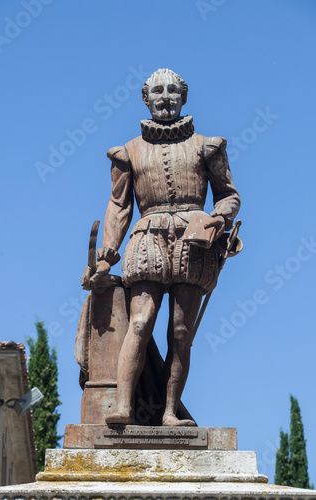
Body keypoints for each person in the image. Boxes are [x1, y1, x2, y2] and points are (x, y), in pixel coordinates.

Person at [82, 68, 240, 426]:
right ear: (146, 98)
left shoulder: (208, 146)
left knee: (181, 331)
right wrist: (106, 256)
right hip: (147, 238)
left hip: (195, 240)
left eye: (172, 91)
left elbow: (229, 195)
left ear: (183, 97)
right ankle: (122, 406)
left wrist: (219, 217)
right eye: (158, 91)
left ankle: (169, 412)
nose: (165, 96)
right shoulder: (128, 152)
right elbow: (119, 206)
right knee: (139, 322)